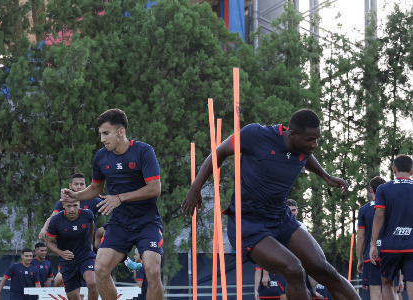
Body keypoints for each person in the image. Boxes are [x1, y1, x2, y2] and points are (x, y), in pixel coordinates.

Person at [182, 109, 359, 300]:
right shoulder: (256, 135)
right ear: (292, 134)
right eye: (310, 139)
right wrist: (195, 188)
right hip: (248, 224)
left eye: (317, 139)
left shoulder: (303, 148)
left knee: (324, 270)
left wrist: (326, 176)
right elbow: (220, 152)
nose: (314, 145)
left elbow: (305, 157)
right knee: (294, 270)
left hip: (280, 217)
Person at [61, 108, 163, 300]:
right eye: (100, 134)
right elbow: (95, 189)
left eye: (106, 133)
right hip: (119, 223)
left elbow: (154, 188)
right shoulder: (101, 156)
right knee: (100, 269)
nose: (102, 139)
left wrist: (120, 197)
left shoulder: (143, 151)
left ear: (120, 132)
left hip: (147, 222)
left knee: (153, 270)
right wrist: (75, 196)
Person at [370, 154, 413, 300]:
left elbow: (379, 216)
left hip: (390, 245)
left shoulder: (383, 189)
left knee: (387, 283)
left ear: (394, 169)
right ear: (412, 171)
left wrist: (373, 244)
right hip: (412, 245)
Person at [46, 198, 98, 300]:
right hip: (68, 261)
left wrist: (90, 243)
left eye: (75, 205)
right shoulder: (56, 220)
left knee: (92, 282)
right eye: (69, 206)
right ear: (63, 205)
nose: (72, 209)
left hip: (85, 256)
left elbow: (91, 225)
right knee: (73, 297)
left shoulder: (87, 214)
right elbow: (49, 242)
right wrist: (60, 253)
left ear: (79, 204)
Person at [356, 176, 386, 299]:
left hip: (371, 255)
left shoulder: (363, 210)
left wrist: (359, 259)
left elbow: (360, 237)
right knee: (393, 292)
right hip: (389, 252)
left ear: (370, 190)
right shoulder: (390, 207)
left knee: (375, 294)